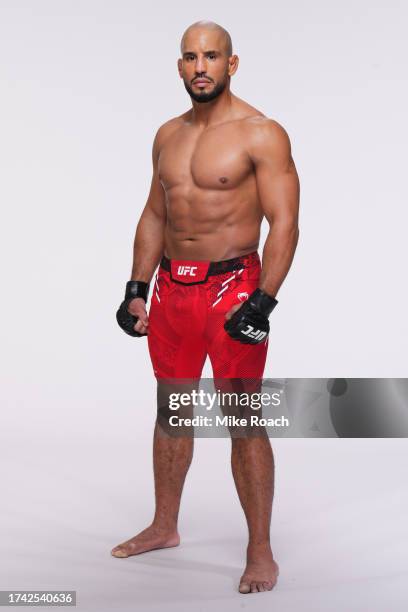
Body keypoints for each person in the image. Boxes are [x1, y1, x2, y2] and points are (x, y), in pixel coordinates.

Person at [112, 19, 300, 595]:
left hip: (232, 290)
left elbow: (285, 222)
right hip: (174, 289)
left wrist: (263, 300)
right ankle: (164, 526)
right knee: (172, 411)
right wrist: (136, 287)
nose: (201, 67)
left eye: (212, 56)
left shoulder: (261, 133)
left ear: (231, 64)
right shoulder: (167, 135)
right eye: (191, 57)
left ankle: (261, 552)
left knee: (243, 420)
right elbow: (154, 214)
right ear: (180, 67)